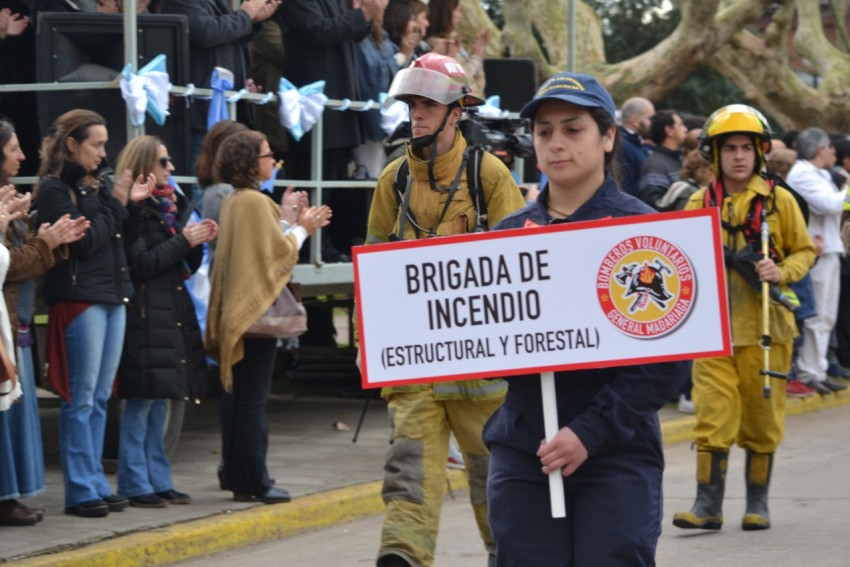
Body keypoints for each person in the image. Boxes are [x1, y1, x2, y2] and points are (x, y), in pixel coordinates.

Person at [480, 71, 686, 566]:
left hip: (617, 450)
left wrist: (588, 433)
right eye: (544, 131)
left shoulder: (644, 233)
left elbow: (667, 365)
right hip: (523, 446)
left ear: (608, 136)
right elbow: (488, 351)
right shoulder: (507, 237)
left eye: (573, 130)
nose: (556, 144)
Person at [366, 52, 526, 567]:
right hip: (415, 369)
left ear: (456, 112)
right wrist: (371, 348)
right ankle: (402, 554)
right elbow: (374, 272)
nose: (416, 114)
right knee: (408, 472)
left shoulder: (490, 176)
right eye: (412, 103)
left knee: (496, 484)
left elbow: (519, 268)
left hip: (483, 374)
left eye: (428, 104)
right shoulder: (392, 180)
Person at [673, 104, 815, 532]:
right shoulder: (698, 201)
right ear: (713, 154)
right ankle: (707, 506)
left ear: (760, 152)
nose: (738, 156)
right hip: (712, 330)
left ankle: (758, 504)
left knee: (761, 419)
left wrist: (781, 271)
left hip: (766, 328)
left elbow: (805, 250)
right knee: (712, 415)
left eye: (745, 148)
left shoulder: (780, 200)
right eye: (729, 148)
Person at [34, 109, 150, 518]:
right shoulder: (52, 190)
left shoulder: (96, 187)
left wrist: (130, 207)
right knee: (80, 398)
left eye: (104, 144)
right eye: (95, 144)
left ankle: (96, 482)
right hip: (80, 298)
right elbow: (85, 244)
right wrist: (117, 202)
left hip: (111, 295)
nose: (104, 153)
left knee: (101, 396)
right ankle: (81, 489)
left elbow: (121, 240)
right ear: (71, 145)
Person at [204, 129, 330, 504]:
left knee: (238, 398)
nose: (272, 161)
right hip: (255, 316)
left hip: (239, 313)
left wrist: (289, 217)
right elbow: (275, 254)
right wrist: (303, 229)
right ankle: (254, 480)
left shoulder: (239, 201)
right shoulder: (252, 203)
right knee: (252, 401)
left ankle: (237, 473)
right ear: (248, 162)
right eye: (266, 155)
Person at [113, 136, 218, 508]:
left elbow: (184, 267)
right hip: (144, 311)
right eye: (163, 161)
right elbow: (140, 264)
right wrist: (184, 242)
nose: (171, 168)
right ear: (144, 167)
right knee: (141, 400)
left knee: (162, 400)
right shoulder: (132, 208)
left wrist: (197, 242)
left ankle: (158, 479)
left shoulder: (173, 204)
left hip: (169, 310)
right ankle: (133, 482)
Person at [0, 118, 88, 525]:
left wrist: (40, 236)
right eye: (14, 148)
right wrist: (44, 242)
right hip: (5, 321)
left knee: (16, 413)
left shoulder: (8, 197)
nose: (21, 155)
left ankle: (11, 494)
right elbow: (8, 266)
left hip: (14, 318)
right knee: (7, 414)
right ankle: (5, 497)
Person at [275, 0, 386, 262]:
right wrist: (362, 13)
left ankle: (328, 242)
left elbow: (351, 33)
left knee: (334, 176)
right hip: (315, 104)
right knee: (315, 176)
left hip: (338, 102)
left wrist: (365, 16)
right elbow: (319, 30)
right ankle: (312, 246)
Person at [158, 0, 281, 171]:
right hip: (202, 110)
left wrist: (252, 21)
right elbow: (207, 33)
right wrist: (245, 15)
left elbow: (229, 36)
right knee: (203, 177)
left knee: (225, 178)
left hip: (226, 111)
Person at [786, 128, 848, 394]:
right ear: (820, 149)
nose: (834, 153)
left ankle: (818, 369)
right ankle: (809, 370)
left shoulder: (820, 174)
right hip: (814, 250)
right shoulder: (800, 173)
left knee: (827, 316)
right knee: (816, 315)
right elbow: (828, 205)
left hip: (831, 247)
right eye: (831, 149)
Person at [350, 0, 398, 180]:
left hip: (384, 120)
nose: (385, 4)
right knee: (371, 180)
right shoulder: (359, 38)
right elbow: (369, 79)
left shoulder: (382, 37)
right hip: (367, 122)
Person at [425, 0, 486, 99]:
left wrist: (478, 53)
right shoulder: (440, 45)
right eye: (458, 10)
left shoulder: (453, 42)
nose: (460, 16)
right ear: (445, 13)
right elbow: (461, 79)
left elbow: (477, 84)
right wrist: (476, 57)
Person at [638, 110, 688, 208]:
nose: (685, 129)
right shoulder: (654, 165)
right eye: (681, 125)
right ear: (669, 130)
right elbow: (653, 205)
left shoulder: (680, 159)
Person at [617, 96, 655, 198]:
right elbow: (627, 187)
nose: (653, 124)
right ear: (635, 121)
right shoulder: (621, 146)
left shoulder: (636, 143)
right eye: (650, 119)